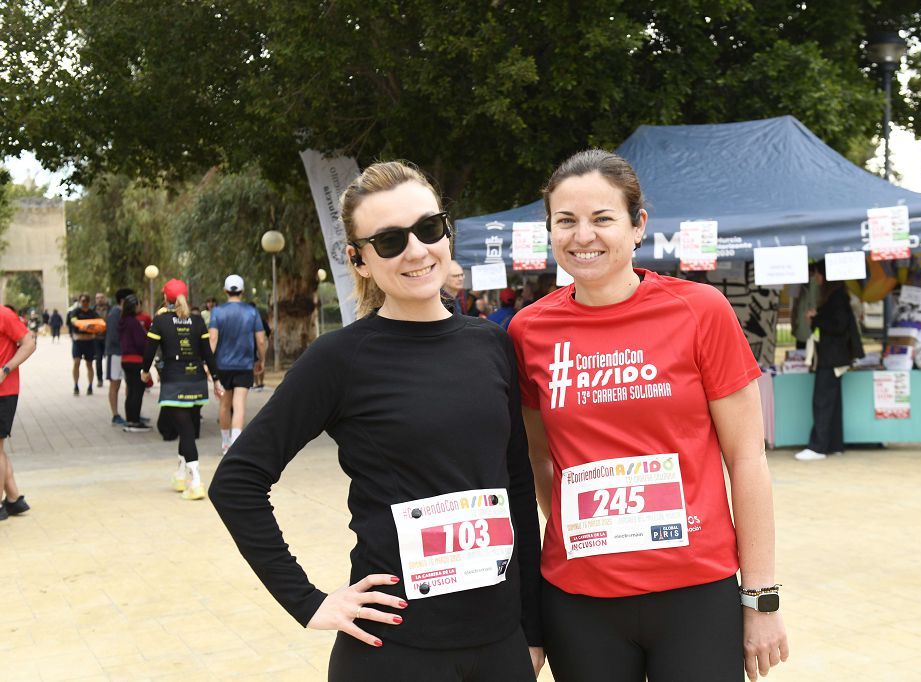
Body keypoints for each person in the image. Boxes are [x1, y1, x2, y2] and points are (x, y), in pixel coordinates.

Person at [209, 161, 543, 682]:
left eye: (429, 229)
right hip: (393, 647)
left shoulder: (493, 345)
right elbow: (236, 481)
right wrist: (308, 601)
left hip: (501, 643)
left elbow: (517, 488)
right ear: (358, 261)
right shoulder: (339, 359)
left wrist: (534, 626)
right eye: (389, 241)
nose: (416, 250)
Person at [508, 149, 788, 682]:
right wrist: (587, 533)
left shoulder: (700, 311)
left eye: (602, 218)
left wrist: (761, 599)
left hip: (694, 595)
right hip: (579, 599)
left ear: (638, 226)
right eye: (565, 221)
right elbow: (539, 460)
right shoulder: (528, 331)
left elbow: (747, 460)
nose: (582, 235)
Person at [142, 279, 221, 500]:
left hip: (174, 381)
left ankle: (195, 480)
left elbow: (149, 351)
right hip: (196, 380)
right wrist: (216, 380)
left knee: (185, 431)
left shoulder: (161, 321)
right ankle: (180, 475)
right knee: (186, 427)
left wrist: (144, 372)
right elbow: (208, 354)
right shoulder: (197, 321)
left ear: (165, 298)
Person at [794, 262, 864, 461]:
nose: (816, 279)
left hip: (832, 357)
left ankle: (818, 447)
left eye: (817, 274)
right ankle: (834, 444)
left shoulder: (835, 297)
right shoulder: (837, 295)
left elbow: (837, 325)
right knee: (832, 402)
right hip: (835, 357)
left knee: (822, 402)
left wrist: (816, 319)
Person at [209, 274, 266, 453]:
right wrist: (261, 359)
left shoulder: (217, 312)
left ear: (225, 291)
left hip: (222, 365)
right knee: (239, 403)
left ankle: (225, 443)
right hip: (244, 365)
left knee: (225, 404)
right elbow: (261, 340)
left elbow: (212, 338)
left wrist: (207, 363)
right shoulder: (251, 311)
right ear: (242, 291)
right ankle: (236, 444)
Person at [0, 304, 37, 521]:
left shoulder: (3, 314)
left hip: (3, 391)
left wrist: (6, 369)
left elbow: (29, 343)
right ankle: (14, 499)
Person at [118, 294, 151, 433]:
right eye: (138, 304)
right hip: (136, 360)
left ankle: (130, 419)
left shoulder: (123, 321)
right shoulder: (133, 322)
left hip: (125, 359)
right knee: (137, 391)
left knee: (131, 391)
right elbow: (140, 342)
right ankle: (135, 421)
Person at [105, 288, 135, 427]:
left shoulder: (126, 313)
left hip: (126, 355)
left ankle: (132, 413)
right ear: (123, 300)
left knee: (129, 384)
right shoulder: (114, 314)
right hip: (116, 354)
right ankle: (115, 415)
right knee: (115, 384)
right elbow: (113, 337)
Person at [68, 294, 101, 395]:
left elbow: (99, 323)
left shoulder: (93, 313)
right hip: (78, 342)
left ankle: (90, 386)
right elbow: (73, 321)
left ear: (89, 302)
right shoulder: (75, 312)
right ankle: (76, 386)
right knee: (76, 362)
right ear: (80, 301)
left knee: (89, 364)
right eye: (83, 301)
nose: (84, 303)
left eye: (86, 301)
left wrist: (88, 327)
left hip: (89, 342)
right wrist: (85, 325)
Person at [93, 292, 110, 387]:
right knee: (98, 359)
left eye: (101, 298)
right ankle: (99, 379)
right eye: (97, 298)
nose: (99, 299)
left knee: (110, 359)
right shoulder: (92, 311)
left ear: (105, 299)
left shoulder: (110, 310)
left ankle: (111, 377)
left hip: (108, 338)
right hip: (96, 338)